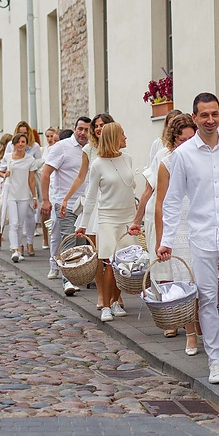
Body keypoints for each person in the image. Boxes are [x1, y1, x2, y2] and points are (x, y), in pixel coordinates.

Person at [157, 92, 219, 385]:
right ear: (194, 117)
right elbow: (172, 200)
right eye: (204, 115)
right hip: (202, 232)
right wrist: (166, 239)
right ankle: (215, 360)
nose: (210, 120)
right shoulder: (182, 155)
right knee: (207, 297)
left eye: (215, 114)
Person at [134, 113, 199, 353]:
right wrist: (162, 239)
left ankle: (209, 332)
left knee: (207, 282)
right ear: (173, 140)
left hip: (198, 221)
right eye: (182, 140)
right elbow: (160, 202)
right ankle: (190, 333)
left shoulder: (201, 157)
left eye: (191, 139)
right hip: (178, 222)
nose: (187, 144)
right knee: (184, 280)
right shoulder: (167, 160)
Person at [75, 122, 136, 322]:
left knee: (125, 262)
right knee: (110, 262)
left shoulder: (127, 158)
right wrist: (83, 224)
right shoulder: (98, 164)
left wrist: (137, 218)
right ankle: (106, 306)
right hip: (108, 217)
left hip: (127, 215)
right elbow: (91, 195)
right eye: (123, 134)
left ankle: (118, 300)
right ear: (114, 138)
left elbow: (131, 186)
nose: (126, 138)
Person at [131, 110, 183, 338]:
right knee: (162, 265)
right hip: (160, 213)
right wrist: (137, 218)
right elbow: (149, 190)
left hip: (184, 214)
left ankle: (187, 314)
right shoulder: (162, 155)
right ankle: (170, 316)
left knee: (181, 266)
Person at [59, 114, 114, 296]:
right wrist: (67, 198)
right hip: (94, 200)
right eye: (96, 126)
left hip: (112, 199)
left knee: (113, 252)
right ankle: (101, 295)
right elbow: (81, 177)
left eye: (103, 125)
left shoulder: (117, 148)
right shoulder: (89, 150)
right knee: (97, 252)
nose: (99, 129)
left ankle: (114, 296)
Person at [41, 117, 91, 296]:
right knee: (68, 239)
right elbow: (45, 174)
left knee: (82, 243)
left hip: (86, 205)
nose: (83, 133)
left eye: (86, 130)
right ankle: (67, 279)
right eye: (80, 129)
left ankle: (78, 276)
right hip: (66, 203)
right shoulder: (61, 148)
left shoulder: (91, 148)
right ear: (75, 129)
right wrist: (46, 200)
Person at [2, 133, 39, 263]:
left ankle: (18, 247)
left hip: (24, 195)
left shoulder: (30, 160)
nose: (20, 144)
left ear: (26, 144)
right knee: (14, 223)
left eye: (23, 142)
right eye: (18, 142)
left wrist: (34, 197)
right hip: (11, 194)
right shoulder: (8, 157)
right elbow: (0, 172)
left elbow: (32, 180)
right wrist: (4, 174)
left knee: (20, 224)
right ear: (14, 144)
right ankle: (15, 250)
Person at [39, 127, 58, 251]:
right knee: (46, 213)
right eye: (48, 137)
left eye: (53, 137)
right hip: (47, 183)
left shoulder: (58, 149)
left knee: (55, 217)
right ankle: (46, 236)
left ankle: (53, 239)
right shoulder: (44, 150)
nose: (50, 139)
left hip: (56, 184)